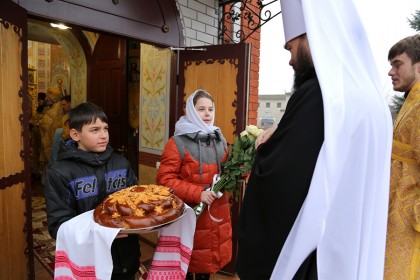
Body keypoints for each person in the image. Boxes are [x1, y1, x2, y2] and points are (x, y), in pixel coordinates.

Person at [237, 0, 393, 279]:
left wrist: (264, 149)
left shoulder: (320, 96)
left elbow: (282, 181)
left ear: (313, 37)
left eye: (291, 47)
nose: (290, 59)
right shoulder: (374, 103)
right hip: (352, 254)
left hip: (316, 261)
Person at [44, 102, 141, 279]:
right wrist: (101, 231)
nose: (103, 135)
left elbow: (134, 204)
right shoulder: (60, 173)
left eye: (105, 128)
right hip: (87, 261)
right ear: (75, 134)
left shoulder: (121, 164)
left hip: (125, 258)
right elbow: (58, 226)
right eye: (94, 130)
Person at [156, 89, 232, 280]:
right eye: (201, 109)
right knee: (187, 265)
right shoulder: (177, 142)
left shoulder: (220, 140)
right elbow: (165, 181)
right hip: (189, 215)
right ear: (190, 111)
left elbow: (230, 171)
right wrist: (198, 193)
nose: (207, 114)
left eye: (210, 109)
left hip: (215, 214)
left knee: (206, 265)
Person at [384, 34, 420, 280]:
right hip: (397, 214)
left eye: (397, 64)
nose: (390, 71)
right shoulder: (412, 101)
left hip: (410, 220)